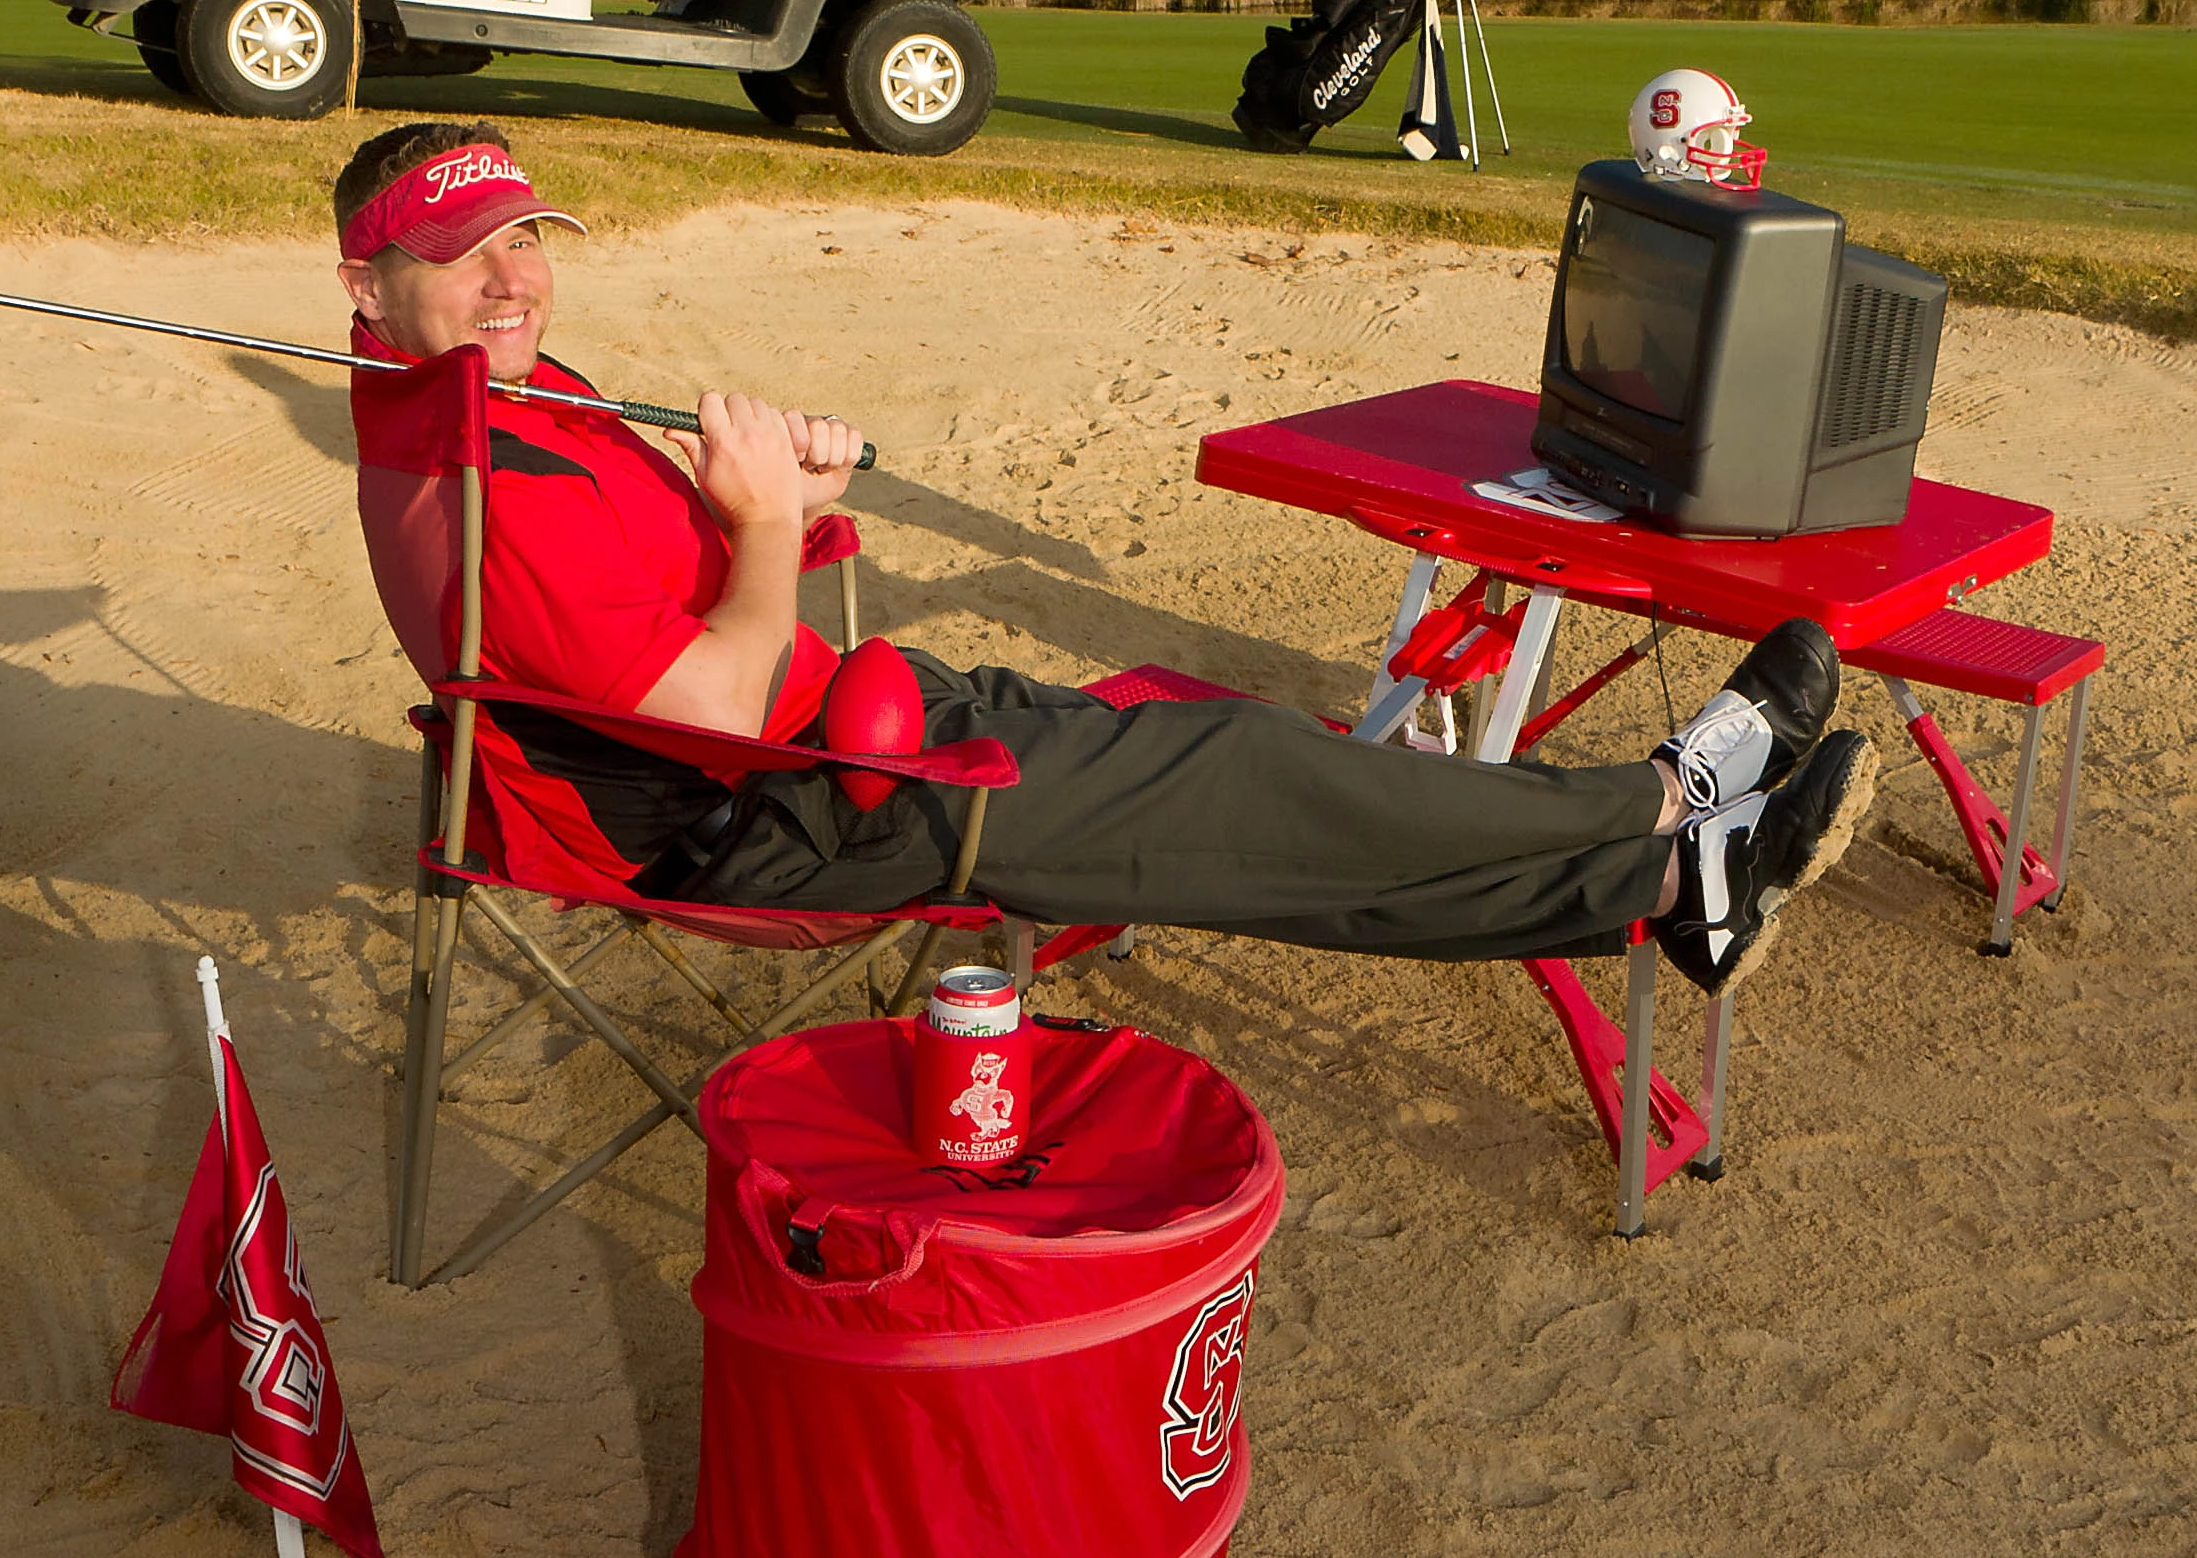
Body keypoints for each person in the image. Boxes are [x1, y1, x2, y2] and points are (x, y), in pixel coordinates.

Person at [335, 122, 1874, 996]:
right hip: (773, 809)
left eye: (524, 236)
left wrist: (761, 483)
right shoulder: (479, 494)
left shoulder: (495, 402)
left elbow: (671, 595)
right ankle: (1667, 822)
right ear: (367, 284)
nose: (512, 277)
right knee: (1248, 777)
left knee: (1240, 809)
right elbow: (714, 713)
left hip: (850, 727)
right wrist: (768, 526)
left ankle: (1671, 872)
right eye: (458, 259)